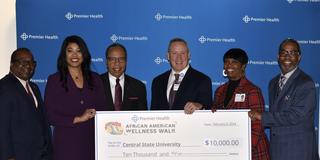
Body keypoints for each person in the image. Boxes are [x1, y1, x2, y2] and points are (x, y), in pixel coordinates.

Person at [249, 39, 318, 160]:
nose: (288, 56)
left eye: (292, 53)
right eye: (284, 52)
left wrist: (262, 116)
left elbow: (296, 115)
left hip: (298, 150)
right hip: (277, 149)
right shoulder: (273, 82)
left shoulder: (305, 83)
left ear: (299, 57)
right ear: (278, 56)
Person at [44, 35, 107, 160]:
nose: (74, 55)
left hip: (91, 143)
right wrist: (78, 119)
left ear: (84, 54)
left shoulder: (95, 79)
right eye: (70, 51)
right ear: (64, 54)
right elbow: (49, 115)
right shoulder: (54, 80)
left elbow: (103, 108)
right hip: (66, 144)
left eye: (79, 51)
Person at [211, 48, 270, 160]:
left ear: (243, 66)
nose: (229, 65)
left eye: (234, 62)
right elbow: (216, 117)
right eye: (227, 62)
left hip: (253, 151)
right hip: (229, 150)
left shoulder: (252, 90)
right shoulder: (219, 91)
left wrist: (245, 149)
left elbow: (259, 124)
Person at [0, 48, 52, 160]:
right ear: (12, 64)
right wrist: (8, 156)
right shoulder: (4, 87)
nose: (28, 66)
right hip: (19, 155)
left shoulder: (34, 87)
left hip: (40, 155)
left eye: (31, 62)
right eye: (23, 62)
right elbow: (2, 126)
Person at [151, 38, 212, 111]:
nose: (179, 58)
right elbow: (154, 112)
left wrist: (199, 106)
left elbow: (207, 108)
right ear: (168, 56)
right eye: (174, 53)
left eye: (182, 53)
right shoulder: (157, 82)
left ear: (189, 55)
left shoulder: (203, 80)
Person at [100, 43, 147, 110]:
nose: (117, 63)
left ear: (126, 61)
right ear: (106, 62)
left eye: (121, 59)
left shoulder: (138, 87)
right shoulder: (95, 83)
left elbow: (142, 116)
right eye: (112, 59)